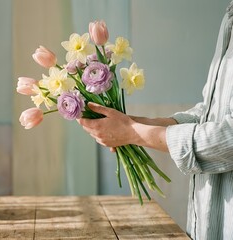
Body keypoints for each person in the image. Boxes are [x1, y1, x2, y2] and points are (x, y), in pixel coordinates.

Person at [77, 2, 233, 240]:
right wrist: (136, 122)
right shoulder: (229, 16)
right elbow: (211, 112)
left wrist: (132, 132)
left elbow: (228, 137)